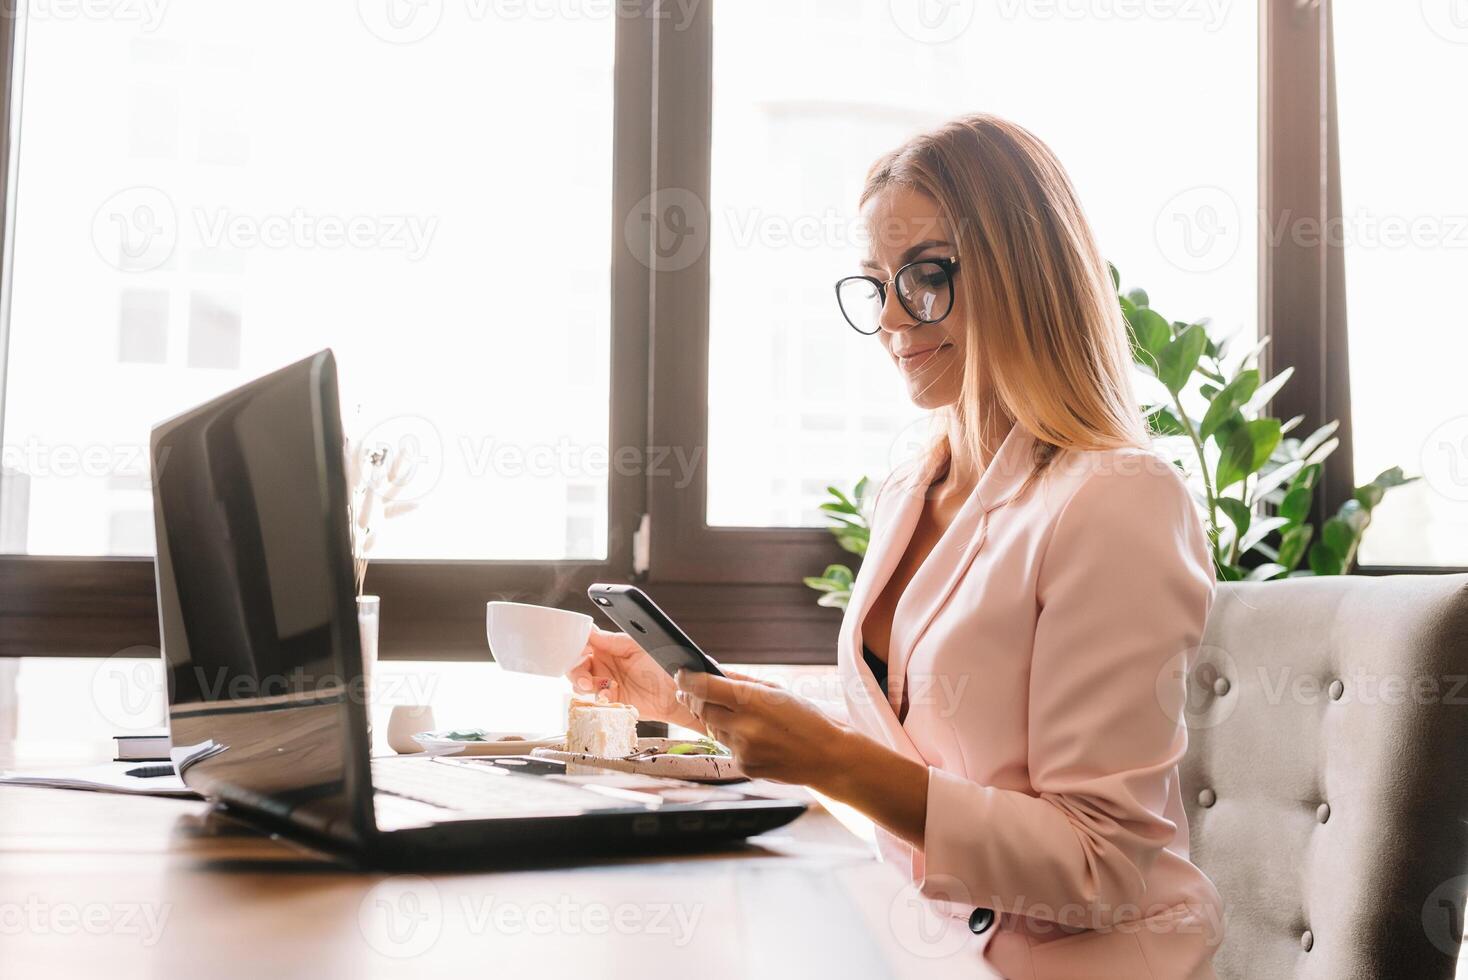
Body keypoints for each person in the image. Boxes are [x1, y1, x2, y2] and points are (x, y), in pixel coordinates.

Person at [569, 113, 1222, 979]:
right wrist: (685, 698)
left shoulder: (1117, 500)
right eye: (877, 282)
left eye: (928, 275)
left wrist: (829, 761)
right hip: (922, 942)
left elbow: (1099, 868)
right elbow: (925, 753)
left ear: (1024, 272)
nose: (892, 318)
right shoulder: (916, 482)